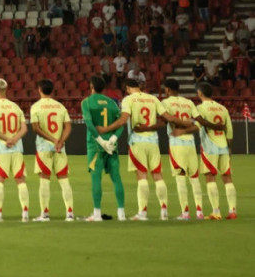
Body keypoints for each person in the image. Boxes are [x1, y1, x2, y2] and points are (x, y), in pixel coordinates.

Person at [98, 78, 188, 220]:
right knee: (158, 175)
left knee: (142, 176)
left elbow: (123, 120)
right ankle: (164, 211)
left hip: (137, 142)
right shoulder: (153, 99)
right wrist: (187, 124)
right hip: (153, 141)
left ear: (127, 88)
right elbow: (167, 119)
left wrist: (107, 129)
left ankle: (142, 212)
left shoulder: (128, 100)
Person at [80, 76, 125, 221]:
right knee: (116, 178)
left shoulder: (87, 102)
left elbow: (89, 123)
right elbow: (120, 124)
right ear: (104, 87)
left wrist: (100, 141)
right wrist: (112, 139)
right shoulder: (112, 103)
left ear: (91, 86)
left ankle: (97, 214)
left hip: (96, 146)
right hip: (112, 146)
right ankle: (121, 214)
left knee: (96, 178)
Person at [29, 79, 74, 222]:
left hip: (44, 148)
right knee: (64, 179)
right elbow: (68, 127)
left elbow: (36, 128)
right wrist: (60, 141)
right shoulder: (60, 107)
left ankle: (45, 214)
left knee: (44, 179)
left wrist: (52, 140)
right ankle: (70, 213)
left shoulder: (36, 107)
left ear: (39, 90)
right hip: (60, 148)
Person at [0, 78, 29, 222]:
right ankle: (25, 214)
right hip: (17, 149)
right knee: (21, 180)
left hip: (1, 149)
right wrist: (14, 139)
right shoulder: (15, 107)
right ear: (6, 89)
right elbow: (24, 128)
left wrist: (6, 139)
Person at [161, 79, 205, 220]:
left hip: (176, 144)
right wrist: (186, 130)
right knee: (194, 178)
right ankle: (199, 212)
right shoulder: (189, 102)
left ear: (167, 89)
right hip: (191, 144)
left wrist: (179, 131)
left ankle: (185, 212)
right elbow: (198, 124)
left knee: (180, 178)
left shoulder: (165, 103)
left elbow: (167, 120)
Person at [194, 82, 237, 219]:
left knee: (210, 178)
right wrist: (229, 148)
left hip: (209, 147)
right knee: (227, 178)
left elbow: (196, 126)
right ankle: (232, 211)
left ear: (200, 93)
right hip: (223, 146)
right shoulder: (222, 108)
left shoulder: (200, 108)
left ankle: (216, 212)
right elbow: (229, 130)